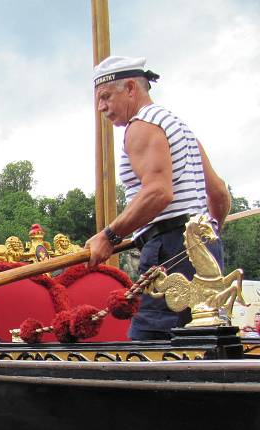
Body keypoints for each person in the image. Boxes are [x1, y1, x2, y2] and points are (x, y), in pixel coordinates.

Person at [86, 56, 231, 340]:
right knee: (201, 339)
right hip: (201, 251)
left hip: (169, 249)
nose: (101, 107)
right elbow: (220, 194)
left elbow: (158, 193)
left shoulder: (140, 127)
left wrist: (109, 236)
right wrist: (208, 235)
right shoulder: (178, 127)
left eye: (105, 97)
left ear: (130, 88)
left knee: (150, 342)